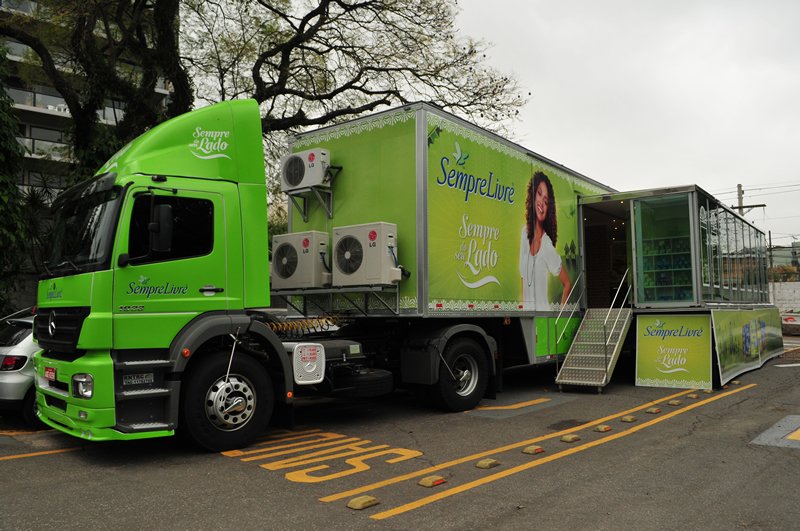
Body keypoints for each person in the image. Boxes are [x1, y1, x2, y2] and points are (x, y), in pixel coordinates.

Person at [519, 171, 571, 311]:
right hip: (527, 315)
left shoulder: (547, 244)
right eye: (539, 194)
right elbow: (523, 278)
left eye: (546, 201)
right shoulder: (524, 234)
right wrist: (522, 310)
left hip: (543, 316)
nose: (542, 202)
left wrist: (561, 315)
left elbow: (567, 284)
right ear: (533, 195)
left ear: (549, 209)